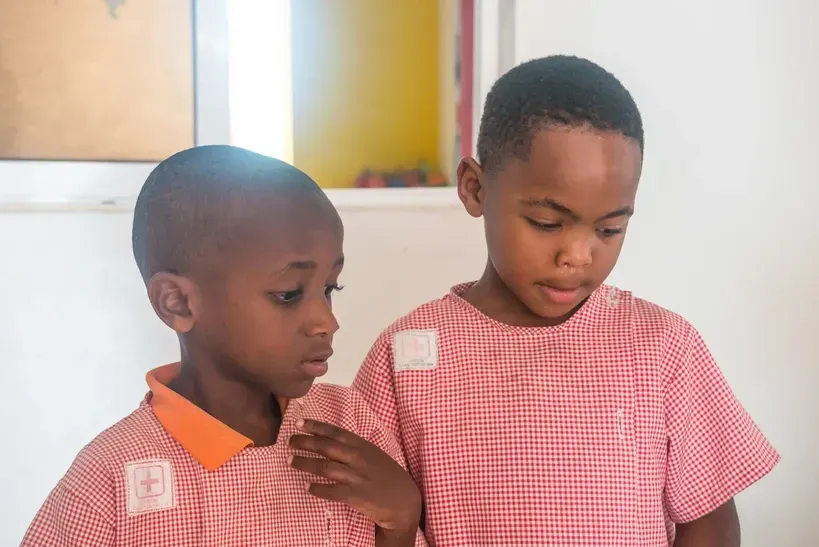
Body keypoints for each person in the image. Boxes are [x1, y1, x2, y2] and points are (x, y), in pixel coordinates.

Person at [353, 55, 779, 546]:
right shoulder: (406, 357)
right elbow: (371, 525)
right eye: (547, 223)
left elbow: (710, 522)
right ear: (475, 189)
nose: (577, 256)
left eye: (609, 229)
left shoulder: (662, 348)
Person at [21, 145, 426, 547]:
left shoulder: (350, 424)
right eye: (288, 294)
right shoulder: (111, 479)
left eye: (329, 289)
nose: (327, 321)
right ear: (177, 302)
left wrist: (402, 523)